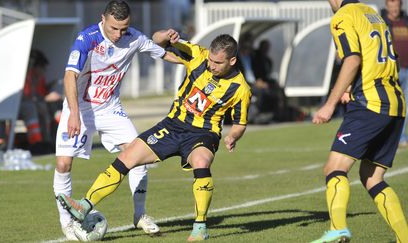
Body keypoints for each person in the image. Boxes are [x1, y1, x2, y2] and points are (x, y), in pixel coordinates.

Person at [57, 31, 251, 241]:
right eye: (211, 60)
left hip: (203, 133)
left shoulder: (241, 89)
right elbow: (158, 41)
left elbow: (240, 123)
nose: (212, 65)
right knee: (128, 156)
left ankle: (200, 226)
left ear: (232, 60)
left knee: (201, 161)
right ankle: (84, 206)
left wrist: (233, 136)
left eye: (218, 63)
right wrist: (164, 34)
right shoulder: (198, 55)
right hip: (172, 125)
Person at [52, 1, 180, 240]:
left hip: (110, 109)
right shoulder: (87, 39)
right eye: (113, 28)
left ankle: (140, 215)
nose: (118, 34)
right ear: (103, 19)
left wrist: (196, 61)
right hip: (79, 107)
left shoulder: (134, 38)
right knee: (63, 165)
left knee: (138, 157)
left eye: (123, 28)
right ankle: (67, 222)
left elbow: (165, 53)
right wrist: (74, 114)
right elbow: (70, 76)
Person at [311, 0, 408, 242]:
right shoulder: (372, 14)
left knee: (334, 168)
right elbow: (388, 56)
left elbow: (352, 59)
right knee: (372, 177)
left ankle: (337, 229)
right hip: (395, 103)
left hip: (370, 104)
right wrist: (350, 88)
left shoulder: (342, 16)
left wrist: (330, 104)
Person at [381, 0, 408, 148]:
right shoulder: (382, 22)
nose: (394, 9)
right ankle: (386, 138)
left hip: (407, 70)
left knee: (406, 107)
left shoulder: (405, 21)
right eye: (391, 6)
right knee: (388, 106)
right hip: (391, 70)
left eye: (396, 6)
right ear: (387, 6)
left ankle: (402, 138)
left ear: (400, 6)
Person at [19, 49, 56, 153]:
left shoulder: (37, 78)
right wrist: (44, 98)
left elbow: (38, 95)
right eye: (42, 68)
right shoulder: (25, 76)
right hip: (21, 105)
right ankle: (37, 144)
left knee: (47, 107)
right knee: (33, 107)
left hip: (33, 103)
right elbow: (26, 96)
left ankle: (48, 142)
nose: (44, 71)